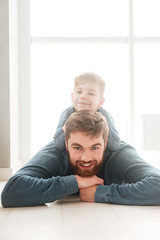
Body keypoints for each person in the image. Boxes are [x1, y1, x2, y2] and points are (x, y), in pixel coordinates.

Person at [1, 110, 160, 207]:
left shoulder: (118, 153)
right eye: (77, 147)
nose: (86, 157)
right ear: (66, 143)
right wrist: (75, 181)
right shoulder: (55, 152)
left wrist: (100, 193)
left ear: (105, 143)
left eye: (95, 147)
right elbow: (12, 191)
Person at [54, 72, 121, 152]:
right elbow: (58, 143)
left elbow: (115, 145)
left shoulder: (104, 115)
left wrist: (105, 127)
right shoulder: (67, 114)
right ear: (72, 96)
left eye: (91, 93)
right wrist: (66, 128)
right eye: (79, 92)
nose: (83, 96)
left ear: (100, 101)